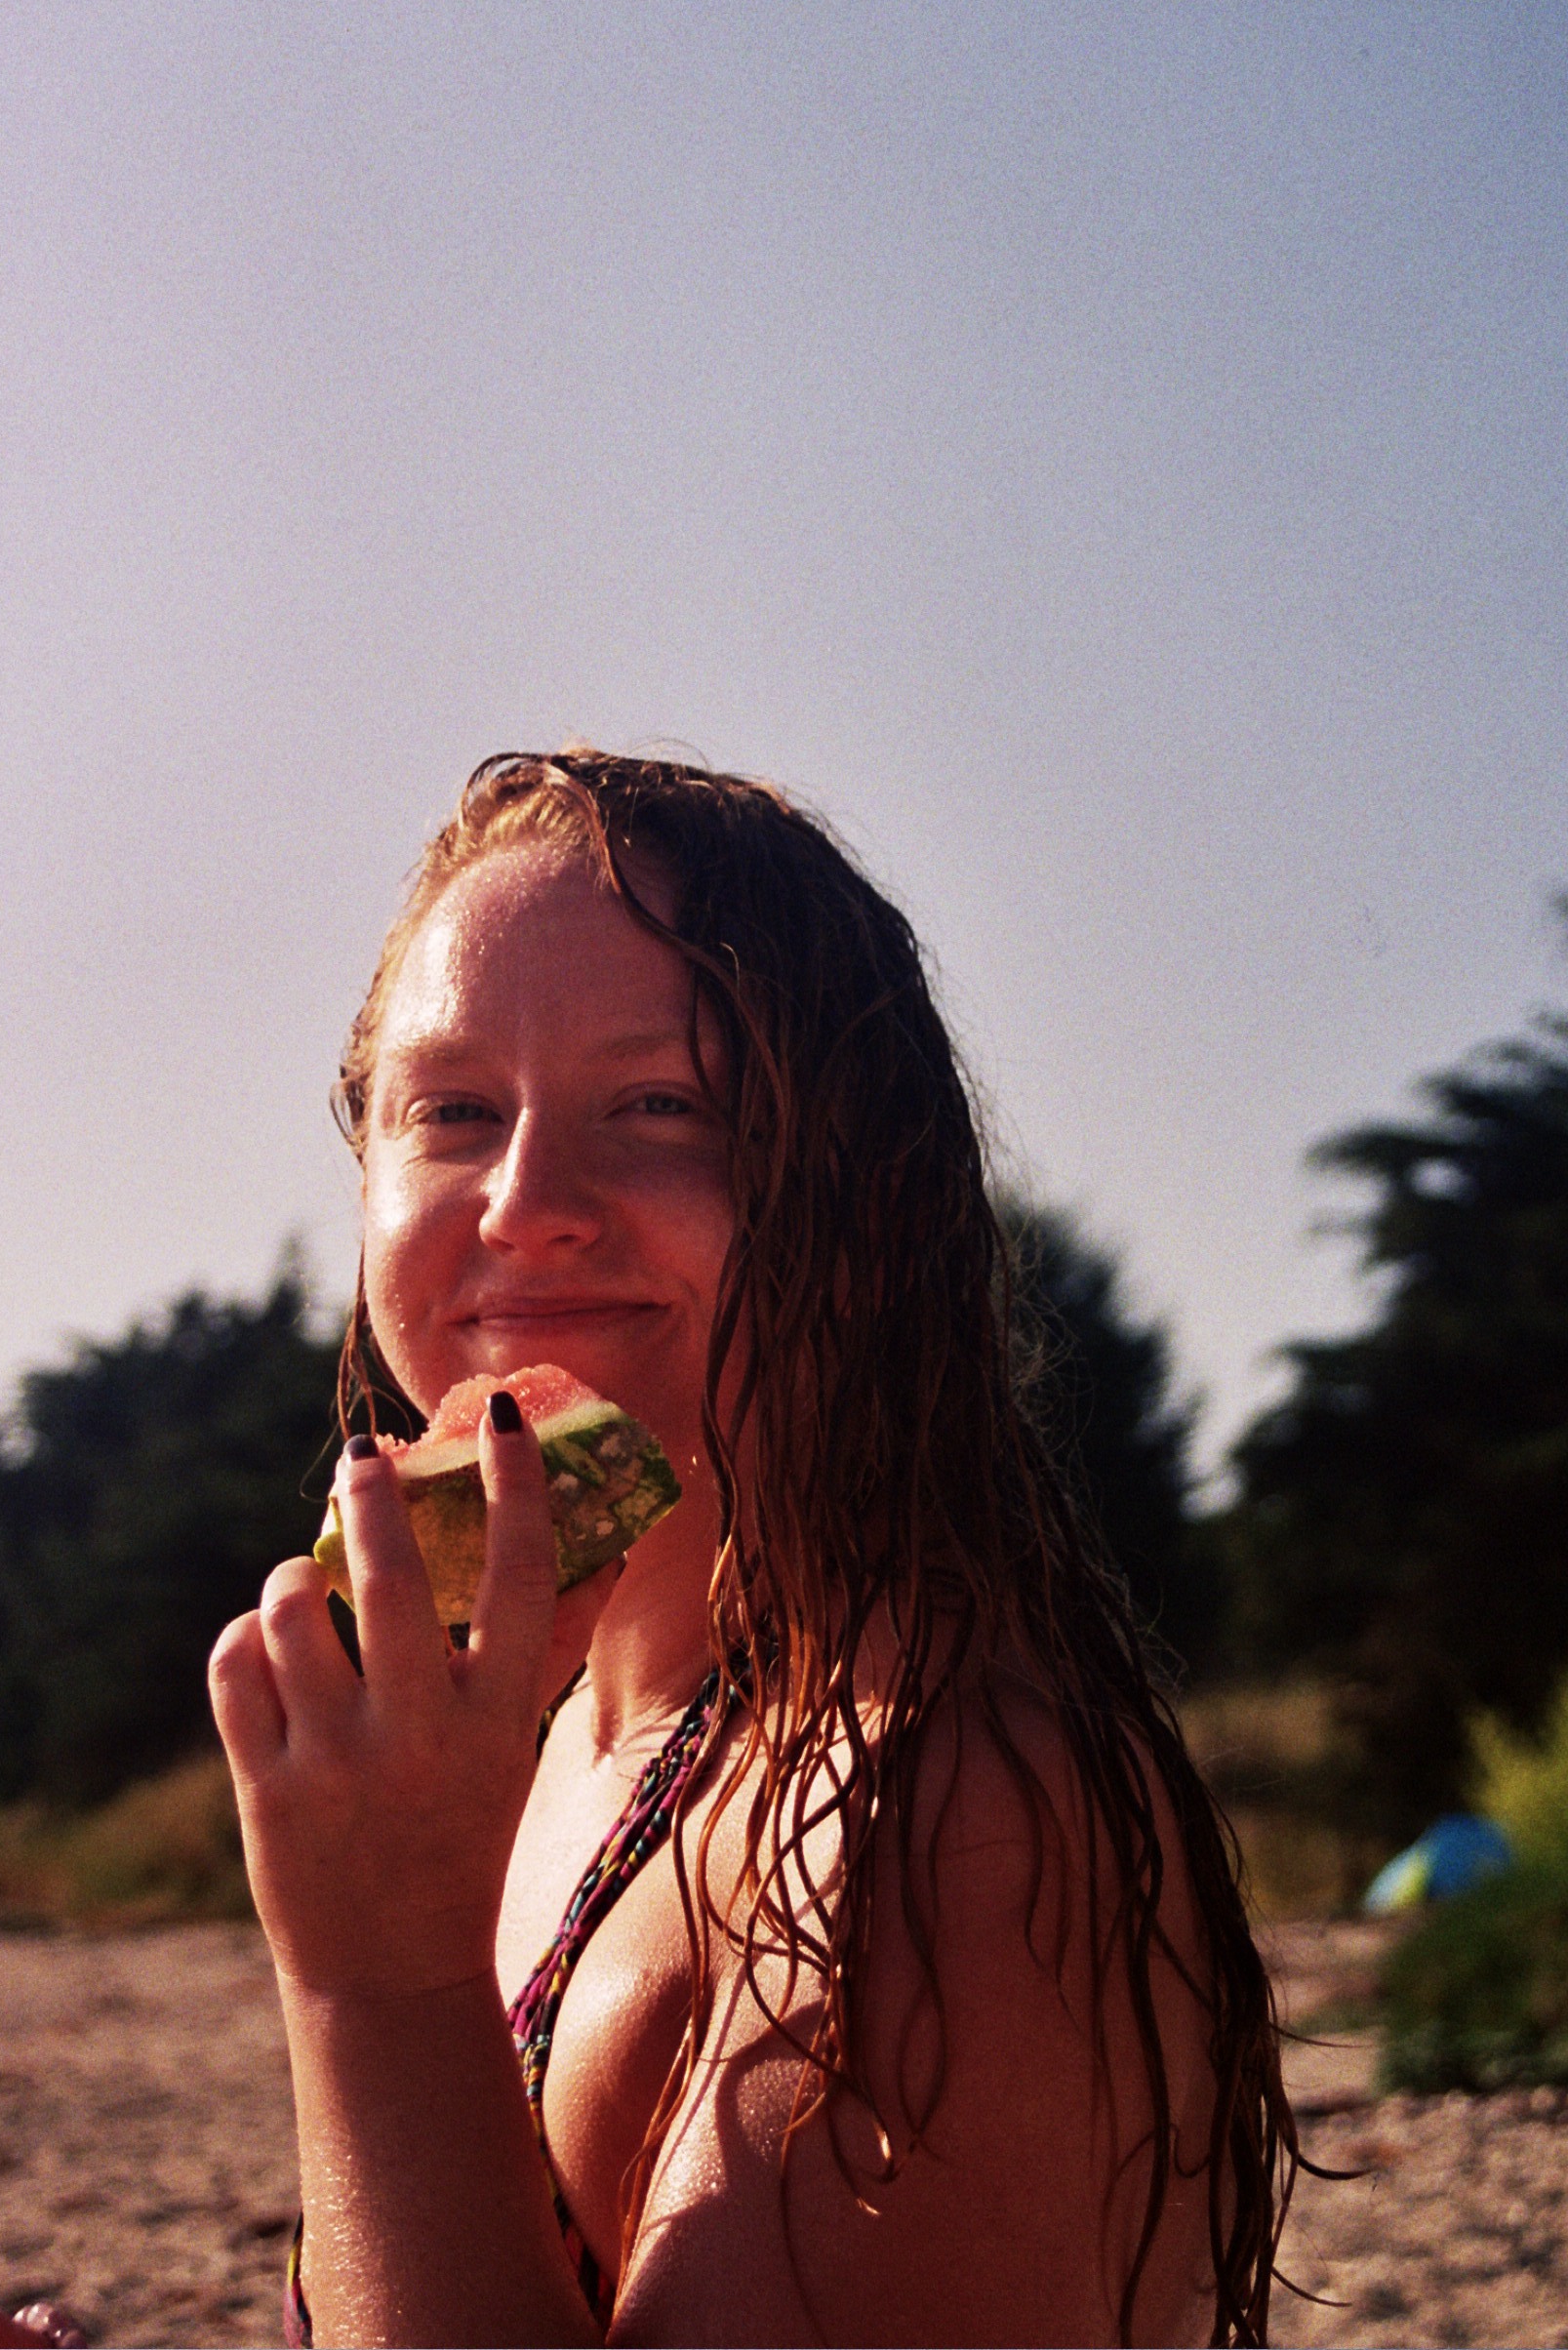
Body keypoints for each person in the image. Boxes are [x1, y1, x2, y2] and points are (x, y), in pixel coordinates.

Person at [209, 750, 1295, 2348]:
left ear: (866, 1207)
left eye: (662, 1106)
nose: (524, 1205)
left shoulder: (943, 1818)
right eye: (450, 1111)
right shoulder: (539, 1739)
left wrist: (375, 1994)